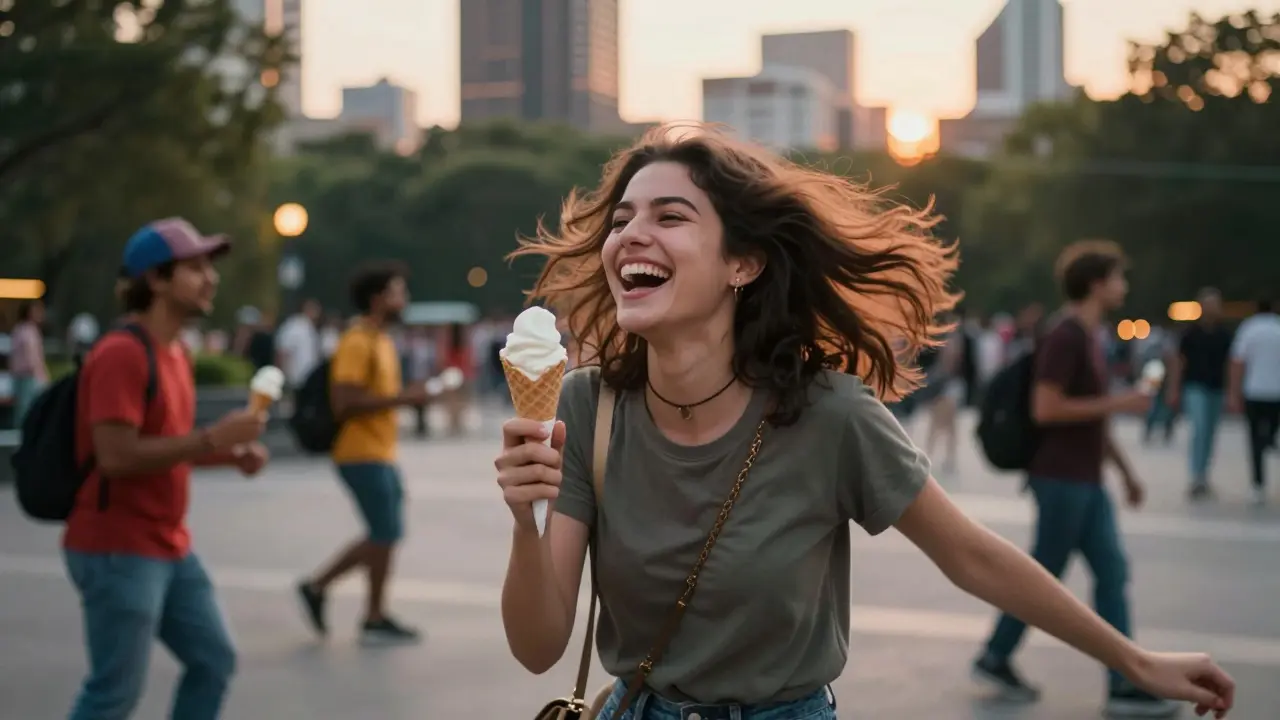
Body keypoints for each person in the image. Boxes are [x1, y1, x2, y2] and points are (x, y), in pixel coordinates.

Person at [493, 126, 1235, 720]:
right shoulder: (589, 408)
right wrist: (526, 520)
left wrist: (1134, 661)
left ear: (742, 264)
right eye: (621, 220)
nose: (630, 235)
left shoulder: (829, 414)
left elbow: (972, 557)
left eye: (669, 215)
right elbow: (537, 648)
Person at [973, 241, 1189, 717]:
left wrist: (1126, 472)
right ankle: (1004, 657)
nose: (1124, 285)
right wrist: (1121, 402)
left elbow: (1092, 419)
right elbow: (1045, 408)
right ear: (1097, 282)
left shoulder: (1090, 334)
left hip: (1086, 480)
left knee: (1107, 573)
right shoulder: (1066, 335)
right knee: (1045, 576)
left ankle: (1122, 680)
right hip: (1061, 478)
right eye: (1118, 277)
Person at [65, 217, 269, 719]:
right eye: (195, 267)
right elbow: (115, 456)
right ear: (154, 279)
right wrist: (213, 438)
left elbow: (164, 444)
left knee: (214, 660)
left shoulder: (175, 352)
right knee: (113, 694)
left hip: (168, 543)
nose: (211, 278)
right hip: (117, 547)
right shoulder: (120, 353)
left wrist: (227, 454)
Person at [296, 262, 427, 645]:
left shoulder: (382, 340)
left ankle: (341, 597)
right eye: (398, 292)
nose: (404, 300)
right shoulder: (357, 340)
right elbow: (344, 402)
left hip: (380, 451)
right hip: (359, 452)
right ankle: (361, 607)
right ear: (377, 299)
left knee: (385, 532)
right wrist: (406, 398)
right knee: (385, 532)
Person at [1165, 288, 1233, 498]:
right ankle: (1196, 475)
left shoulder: (1225, 335)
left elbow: (1231, 365)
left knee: (1210, 432)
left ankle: (1204, 474)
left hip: (1216, 387)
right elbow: (1179, 362)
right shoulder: (1190, 333)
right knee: (1200, 427)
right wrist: (1174, 389)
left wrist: (1232, 391)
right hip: (1195, 386)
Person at [1227, 298, 1280, 506]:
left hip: (1254, 391)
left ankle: (1258, 483)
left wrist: (1233, 391)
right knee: (1270, 431)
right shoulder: (1278, 328)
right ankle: (1269, 439)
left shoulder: (1248, 329)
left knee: (1254, 439)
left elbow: (1237, 362)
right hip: (1276, 392)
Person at [10, 299, 48, 426]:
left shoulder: (19, 330)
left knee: (22, 410)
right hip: (28, 377)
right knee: (27, 411)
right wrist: (42, 377)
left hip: (21, 376)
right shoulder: (28, 331)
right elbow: (33, 358)